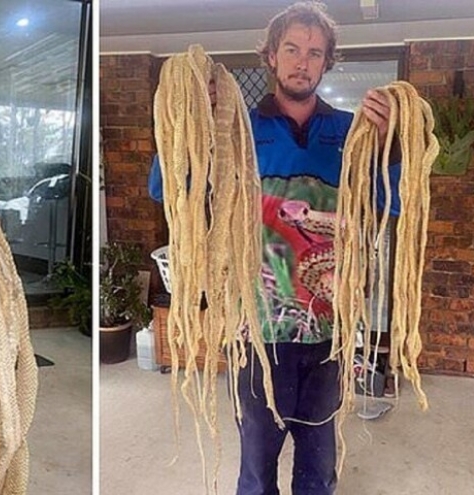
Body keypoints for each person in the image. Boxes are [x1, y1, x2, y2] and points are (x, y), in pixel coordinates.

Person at [148, 2, 401, 494]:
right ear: (269, 56)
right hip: (255, 331)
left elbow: (392, 203)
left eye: (314, 52)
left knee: (319, 469)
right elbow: (166, 188)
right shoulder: (236, 131)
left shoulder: (352, 132)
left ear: (328, 62)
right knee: (257, 471)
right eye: (291, 49)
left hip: (329, 329)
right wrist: (195, 120)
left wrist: (392, 141)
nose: (301, 62)